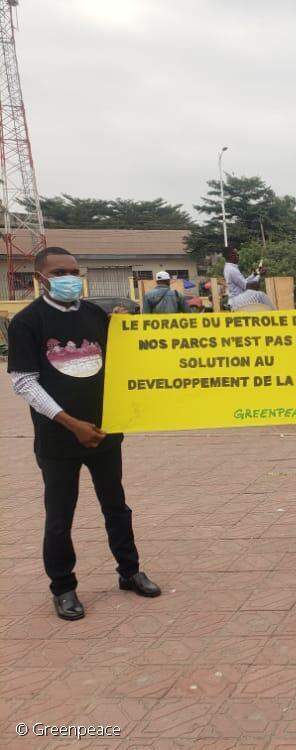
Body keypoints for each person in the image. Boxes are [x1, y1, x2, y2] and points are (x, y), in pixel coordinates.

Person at [6, 247, 161, 621]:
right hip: (59, 437)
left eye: (75, 272)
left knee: (116, 506)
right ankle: (63, 587)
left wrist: (125, 329)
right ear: (41, 278)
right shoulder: (27, 322)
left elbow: (121, 362)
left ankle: (129, 571)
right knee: (60, 515)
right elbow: (24, 382)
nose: (69, 279)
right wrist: (71, 423)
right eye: (60, 272)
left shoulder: (94, 315)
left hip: (105, 430)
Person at [222, 245, 267, 311]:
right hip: (238, 303)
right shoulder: (232, 270)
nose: (238, 257)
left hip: (238, 301)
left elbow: (243, 282)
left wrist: (254, 274)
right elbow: (247, 286)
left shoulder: (230, 268)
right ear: (231, 255)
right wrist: (259, 275)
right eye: (237, 255)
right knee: (261, 297)